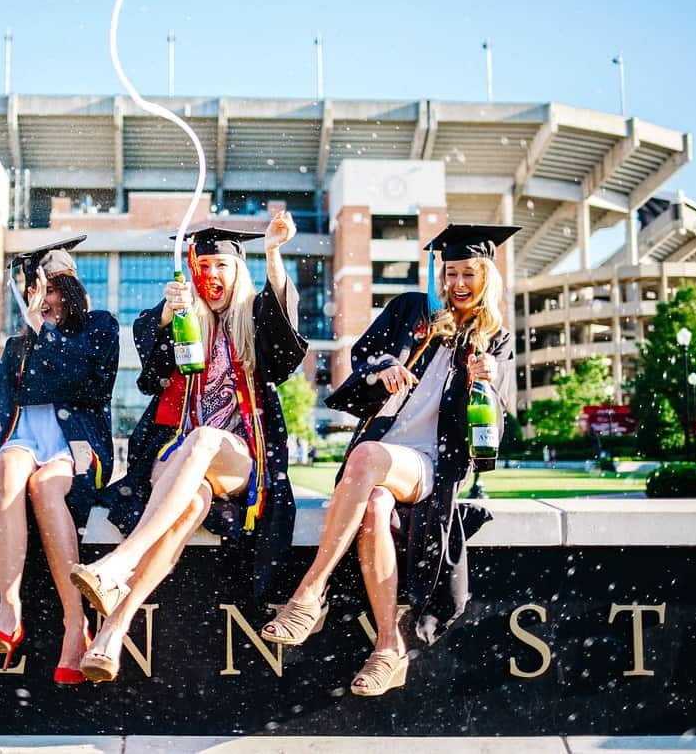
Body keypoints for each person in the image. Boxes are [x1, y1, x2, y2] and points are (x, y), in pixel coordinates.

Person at [261, 223, 518, 697]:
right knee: (375, 505)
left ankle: (309, 592)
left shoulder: (494, 338)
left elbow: (495, 427)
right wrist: (385, 368)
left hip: (432, 464)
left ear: (487, 277)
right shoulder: (412, 310)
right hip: (383, 452)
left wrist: (490, 379)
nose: (458, 284)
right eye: (451, 273)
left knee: (366, 458)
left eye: (469, 274)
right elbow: (365, 355)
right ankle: (387, 649)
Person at [71, 212, 307, 682]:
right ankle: (112, 634)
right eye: (204, 267)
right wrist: (167, 311)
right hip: (178, 461)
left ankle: (119, 563)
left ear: (237, 271)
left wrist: (275, 253)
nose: (212, 276)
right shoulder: (185, 323)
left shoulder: (254, 318)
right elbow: (151, 373)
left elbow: (284, 341)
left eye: (221, 266)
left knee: (202, 440)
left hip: (239, 459)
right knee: (188, 504)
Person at [0, 234, 120, 684]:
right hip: (22, 437)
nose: (43, 299)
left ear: (68, 288)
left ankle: (76, 626)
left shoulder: (100, 327)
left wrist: (43, 331)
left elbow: (81, 383)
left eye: (50, 288)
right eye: (33, 290)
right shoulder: (19, 344)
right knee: (10, 467)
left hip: (75, 441)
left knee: (45, 486)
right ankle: (9, 608)